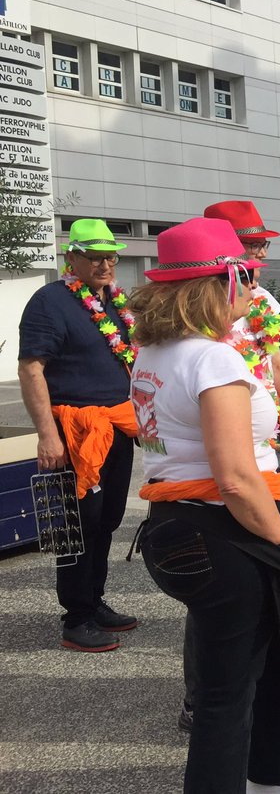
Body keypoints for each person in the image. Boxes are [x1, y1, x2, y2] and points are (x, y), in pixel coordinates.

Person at [128, 217, 280, 793]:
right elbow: (238, 479)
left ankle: (273, 775)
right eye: (245, 277)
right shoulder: (212, 359)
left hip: (179, 530)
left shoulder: (151, 354)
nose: (251, 290)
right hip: (223, 534)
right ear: (221, 281)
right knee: (226, 696)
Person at [17, 219, 139, 652]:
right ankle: (77, 617)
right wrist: (47, 436)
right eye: (94, 256)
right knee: (78, 525)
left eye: (111, 256)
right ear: (71, 258)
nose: (105, 264)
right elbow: (31, 369)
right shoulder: (50, 301)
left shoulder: (112, 303)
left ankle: (95, 599)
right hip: (75, 432)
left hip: (116, 428)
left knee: (107, 520)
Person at [202, 201, 280, 449]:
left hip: (267, 424)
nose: (263, 253)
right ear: (226, 247)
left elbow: (276, 367)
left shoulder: (263, 299)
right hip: (226, 431)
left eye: (264, 244)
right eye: (255, 245)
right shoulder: (202, 308)